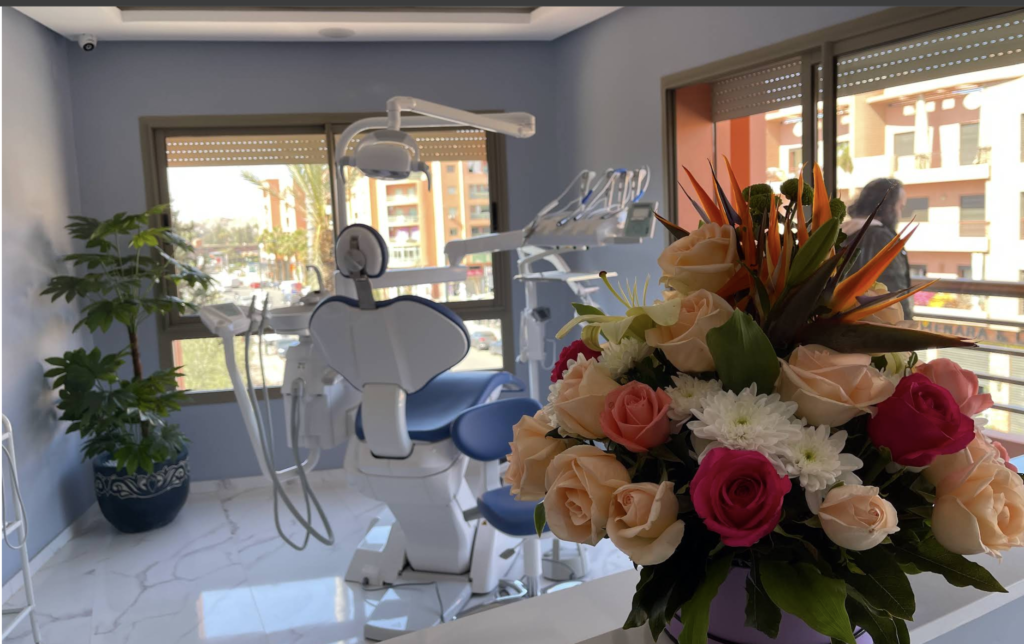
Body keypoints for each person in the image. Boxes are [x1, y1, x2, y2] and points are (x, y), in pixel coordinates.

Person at [840, 178, 912, 319]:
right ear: (889, 207)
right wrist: (906, 324)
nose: (900, 215)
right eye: (900, 207)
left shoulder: (840, 233)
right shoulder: (880, 237)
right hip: (873, 325)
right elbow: (894, 294)